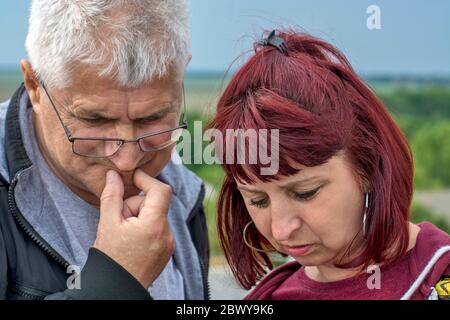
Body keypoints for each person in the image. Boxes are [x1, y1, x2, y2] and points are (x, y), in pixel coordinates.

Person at [210, 29, 450, 300]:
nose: (281, 229)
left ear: (367, 166)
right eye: (258, 200)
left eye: (305, 193)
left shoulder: (439, 278)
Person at [0, 0, 209, 300]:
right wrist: (116, 281)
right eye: (95, 119)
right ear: (35, 85)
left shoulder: (184, 193)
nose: (127, 160)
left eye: (152, 118)